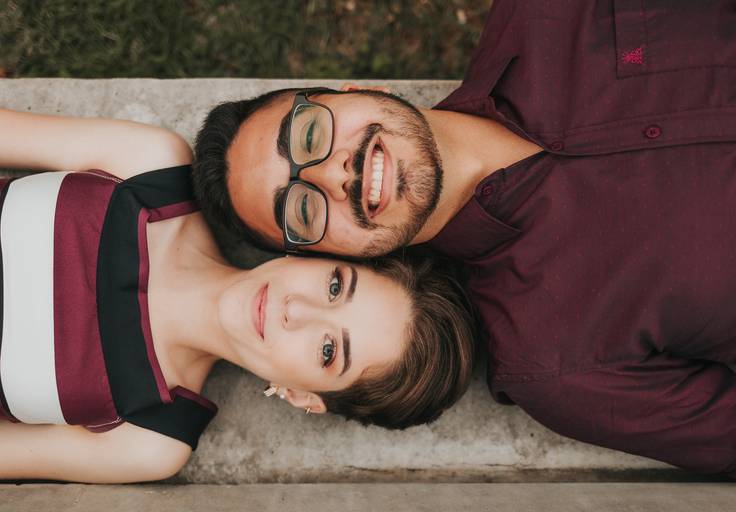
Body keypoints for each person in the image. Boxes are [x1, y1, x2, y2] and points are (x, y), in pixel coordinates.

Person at [191, 1, 736, 477]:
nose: (335, 175)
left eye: (310, 134)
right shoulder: (553, 362)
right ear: (332, 255)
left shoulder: (547, 13)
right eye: (302, 210)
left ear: (352, 91)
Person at [0, 104, 476, 483]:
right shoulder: (147, 172)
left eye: (328, 350)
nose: (295, 310)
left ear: (304, 398)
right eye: (335, 285)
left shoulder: (150, 437)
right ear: (322, 256)